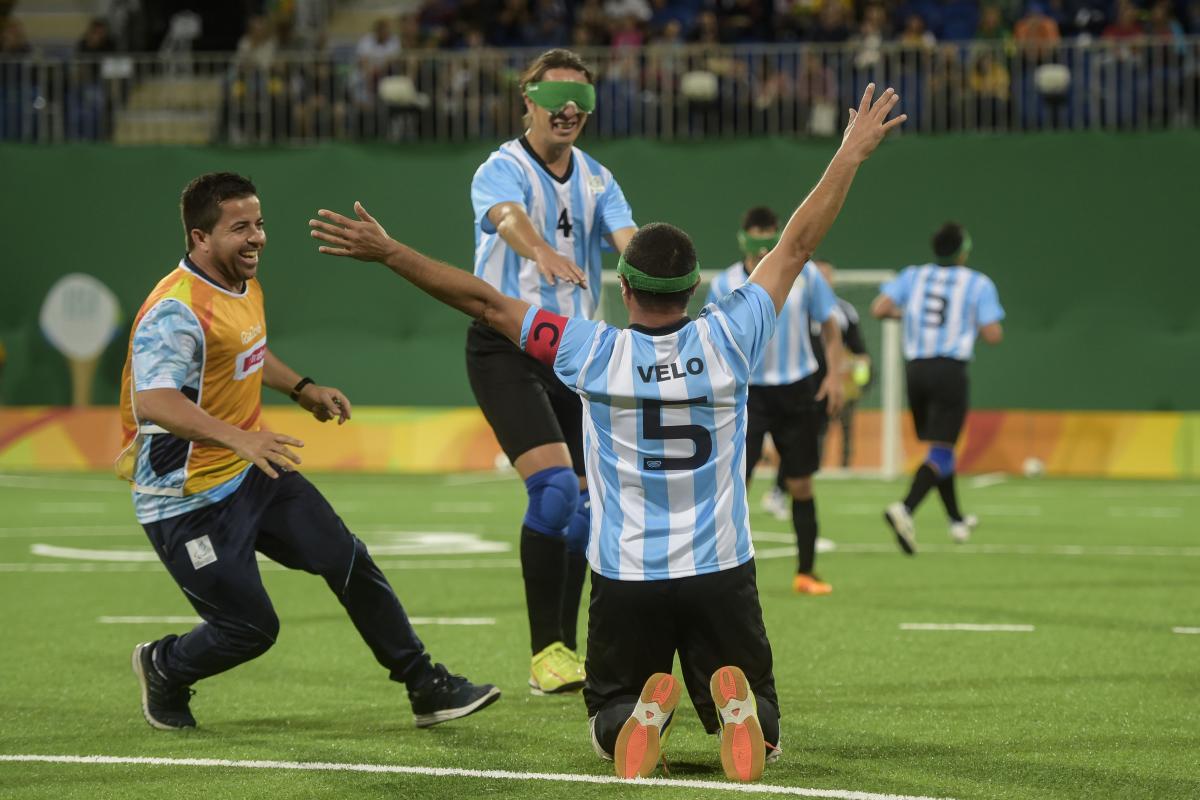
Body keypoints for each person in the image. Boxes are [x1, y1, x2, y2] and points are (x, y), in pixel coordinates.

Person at [310, 82, 906, 782]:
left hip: (627, 577)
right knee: (766, 720)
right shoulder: (732, 336)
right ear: (696, 287)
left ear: (624, 287)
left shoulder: (590, 351)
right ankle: (743, 713)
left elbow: (481, 300)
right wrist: (848, 154)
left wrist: (390, 252)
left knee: (606, 719)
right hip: (720, 570)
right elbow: (797, 244)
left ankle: (634, 715)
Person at [116, 172, 499, 732]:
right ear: (200, 239)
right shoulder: (175, 310)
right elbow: (153, 400)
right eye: (239, 228)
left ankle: (426, 685)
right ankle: (164, 666)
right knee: (249, 630)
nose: (257, 238)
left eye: (260, 223)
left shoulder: (242, 284)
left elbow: (246, 351)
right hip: (185, 498)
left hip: (251, 472)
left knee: (346, 557)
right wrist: (239, 436)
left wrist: (302, 390)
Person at [467, 48, 637, 695]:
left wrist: (651, 265)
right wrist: (539, 249)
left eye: (583, 98)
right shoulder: (500, 170)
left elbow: (626, 238)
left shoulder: (599, 179)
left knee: (590, 512)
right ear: (528, 99)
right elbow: (508, 219)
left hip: (576, 354)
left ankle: (564, 656)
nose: (570, 108)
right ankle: (545, 652)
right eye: (558, 94)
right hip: (506, 346)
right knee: (557, 492)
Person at [706, 209, 844, 597]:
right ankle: (724, 576)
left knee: (800, 483)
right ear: (743, 237)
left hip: (799, 388)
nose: (763, 237)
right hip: (748, 394)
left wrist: (834, 375)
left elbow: (831, 325)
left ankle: (806, 572)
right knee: (735, 484)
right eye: (757, 232)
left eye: (770, 231)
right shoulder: (725, 283)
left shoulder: (806, 274)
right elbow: (713, 337)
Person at [871, 222, 1004, 554]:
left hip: (916, 370)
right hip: (949, 369)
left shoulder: (913, 275)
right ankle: (906, 508)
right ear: (963, 250)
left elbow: (880, 308)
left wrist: (911, 316)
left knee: (939, 448)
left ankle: (956, 520)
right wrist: (967, 320)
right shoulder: (977, 283)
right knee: (942, 451)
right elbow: (992, 334)